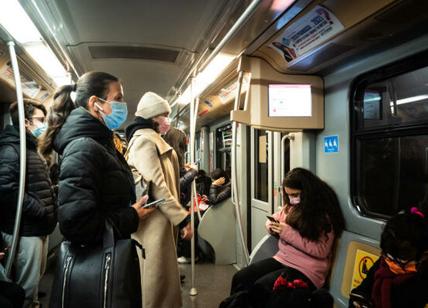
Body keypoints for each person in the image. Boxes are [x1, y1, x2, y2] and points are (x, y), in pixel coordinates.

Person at [221, 168, 345, 308]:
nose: (292, 199)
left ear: (308, 192)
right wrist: (272, 227)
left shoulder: (323, 215)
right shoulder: (291, 207)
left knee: (260, 288)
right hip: (283, 259)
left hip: (308, 269)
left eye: (295, 194)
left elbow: (321, 251)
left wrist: (286, 232)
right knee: (241, 278)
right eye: (289, 195)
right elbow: (274, 218)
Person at [125, 91, 192, 308]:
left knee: (161, 280)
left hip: (161, 220)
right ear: (154, 117)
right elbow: (157, 188)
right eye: (164, 115)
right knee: (157, 283)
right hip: (154, 223)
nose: (167, 121)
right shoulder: (145, 141)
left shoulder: (152, 139)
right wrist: (182, 218)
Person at [0, 99, 57, 307]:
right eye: (40, 120)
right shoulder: (11, 150)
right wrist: (39, 209)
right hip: (25, 228)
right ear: (25, 122)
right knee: (25, 286)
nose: (44, 124)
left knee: (34, 282)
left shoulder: (31, 149)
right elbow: (6, 189)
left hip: (38, 227)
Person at [349, 208, 428, 308]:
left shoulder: (421, 280)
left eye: (399, 262)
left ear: (423, 256)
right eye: (388, 257)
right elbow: (363, 288)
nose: (391, 264)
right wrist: (358, 301)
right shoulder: (384, 263)